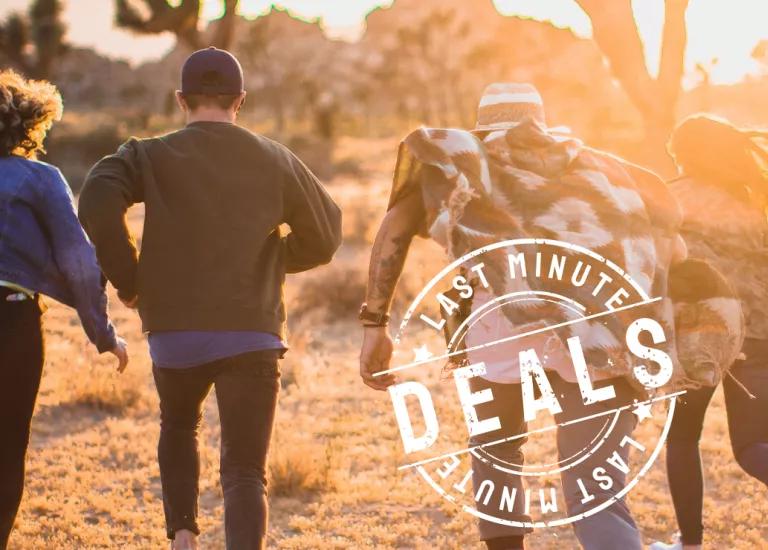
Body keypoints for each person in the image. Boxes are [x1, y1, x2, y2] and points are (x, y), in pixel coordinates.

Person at [359, 83, 684, 550]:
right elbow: (676, 244)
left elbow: (396, 223)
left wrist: (375, 322)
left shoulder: (468, 164)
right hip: (596, 336)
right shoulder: (605, 172)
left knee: (496, 455)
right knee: (595, 491)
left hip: (499, 332)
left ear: (483, 128)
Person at [78, 48, 342, 550]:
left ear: (181, 99)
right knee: (245, 470)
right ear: (240, 100)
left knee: (178, 425)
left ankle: (182, 537)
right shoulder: (274, 157)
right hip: (252, 332)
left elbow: (95, 197)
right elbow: (327, 233)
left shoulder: (147, 154)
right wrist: (273, 258)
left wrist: (130, 280)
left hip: (175, 334)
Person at [0, 70, 128, 549]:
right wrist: (104, 334)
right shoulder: (40, 178)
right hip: (9, 318)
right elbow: (79, 261)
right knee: (6, 446)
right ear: (31, 124)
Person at [650, 115, 768, 550]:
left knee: (682, 436)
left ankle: (691, 543)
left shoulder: (671, 198)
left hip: (701, 331)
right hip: (760, 332)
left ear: (687, 154)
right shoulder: (753, 198)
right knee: (754, 444)